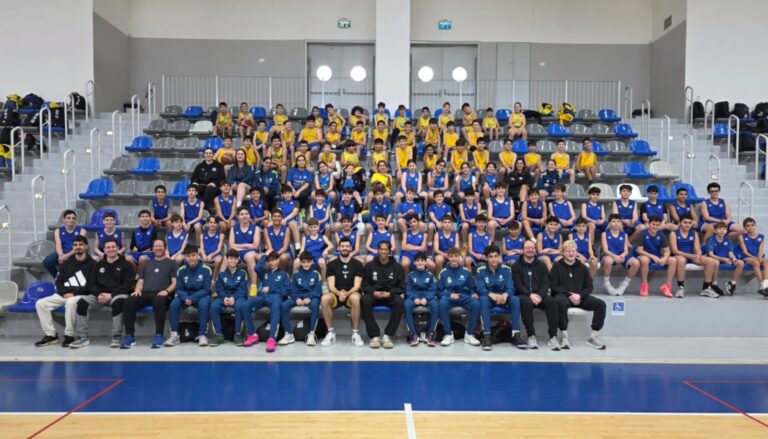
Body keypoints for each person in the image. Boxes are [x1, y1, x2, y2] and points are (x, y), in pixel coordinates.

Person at [70, 238, 135, 349]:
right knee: (82, 302)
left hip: (117, 294)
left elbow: (127, 285)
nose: (111, 249)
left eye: (113, 247)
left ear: (118, 248)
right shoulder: (98, 265)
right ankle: (82, 336)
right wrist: (99, 294)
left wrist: (111, 295)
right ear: (104, 250)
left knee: (119, 302)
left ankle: (116, 335)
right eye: (108, 247)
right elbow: (92, 284)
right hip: (99, 296)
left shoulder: (126, 265)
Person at [35, 236, 94, 348]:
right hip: (64, 294)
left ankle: (69, 335)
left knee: (70, 302)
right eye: (75, 245)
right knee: (41, 303)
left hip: (81, 295)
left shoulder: (93, 264)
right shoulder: (66, 263)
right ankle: (51, 335)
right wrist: (64, 293)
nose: (78, 247)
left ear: (86, 246)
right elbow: (58, 281)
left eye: (81, 244)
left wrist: (74, 293)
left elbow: (92, 285)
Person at [549, 240, 607, 350]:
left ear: (576, 252)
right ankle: (564, 336)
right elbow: (553, 286)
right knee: (560, 302)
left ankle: (593, 336)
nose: (571, 253)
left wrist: (580, 296)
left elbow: (589, 287)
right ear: (563, 253)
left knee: (601, 304)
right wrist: (569, 295)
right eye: (568, 251)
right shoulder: (557, 266)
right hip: (563, 296)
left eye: (573, 251)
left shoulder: (582, 267)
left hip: (580, 297)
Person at [120, 239, 177, 349]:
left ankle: (159, 335)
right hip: (145, 293)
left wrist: (167, 291)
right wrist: (137, 290)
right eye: (156, 246)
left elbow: (175, 282)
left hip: (162, 293)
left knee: (159, 301)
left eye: (160, 246)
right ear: (152, 249)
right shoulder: (147, 264)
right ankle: (129, 336)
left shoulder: (172, 263)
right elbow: (140, 281)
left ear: (165, 248)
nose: (158, 248)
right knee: (129, 301)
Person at [476, 245, 527, 351]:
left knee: (515, 300)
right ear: (486, 258)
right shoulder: (480, 271)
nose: (493, 259)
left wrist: (505, 295)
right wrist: (492, 295)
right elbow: (480, 288)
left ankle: (516, 334)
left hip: (504, 297)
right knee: (483, 300)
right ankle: (487, 336)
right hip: (489, 297)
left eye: (496, 256)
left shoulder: (506, 270)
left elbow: (511, 287)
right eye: (490, 257)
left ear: (499, 257)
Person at [237, 251, 289, 353]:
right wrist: (265, 256)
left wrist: (271, 289)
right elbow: (256, 268)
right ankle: (252, 335)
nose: (272, 263)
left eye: (274, 260)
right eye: (270, 261)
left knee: (276, 308)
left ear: (278, 260)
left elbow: (286, 291)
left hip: (276, 298)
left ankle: (272, 339)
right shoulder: (265, 272)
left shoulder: (283, 274)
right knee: (245, 305)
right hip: (263, 297)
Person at [513, 240, 560, 350]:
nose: (530, 250)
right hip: (523, 295)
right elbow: (518, 285)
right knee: (526, 302)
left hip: (539, 295)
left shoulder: (542, 265)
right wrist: (530, 295)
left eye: (532, 248)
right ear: (523, 250)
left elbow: (546, 283)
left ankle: (553, 337)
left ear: (535, 250)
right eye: (527, 248)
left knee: (552, 301)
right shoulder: (516, 266)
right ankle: (531, 336)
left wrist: (539, 295)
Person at [165, 246, 213, 347]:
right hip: (185, 296)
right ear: (185, 257)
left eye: (193, 255)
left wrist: (192, 298)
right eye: (188, 256)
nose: (191, 258)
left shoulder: (206, 270)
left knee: (204, 304)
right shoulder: (181, 270)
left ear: (198, 255)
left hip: (201, 296)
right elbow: (179, 289)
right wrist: (185, 297)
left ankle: (202, 335)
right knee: (174, 304)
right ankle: (174, 335)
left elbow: (206, 289)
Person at [361, 241, 405, 349]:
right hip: (374, 294)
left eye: (386, 249)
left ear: (389, 251)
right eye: (381, 249)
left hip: (390, 295)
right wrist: (373, 292)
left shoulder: (397, 266)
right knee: (364, 300)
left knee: (399, 302)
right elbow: (364, 284)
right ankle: (374, 336)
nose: (383, 251)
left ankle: (387, 336)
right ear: (378, 251)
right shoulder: (370, 266)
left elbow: (402, 287)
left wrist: (390, 293)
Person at [322, 238, 365, 347]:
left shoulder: (358, 264)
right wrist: (339, 293)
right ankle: (330, 333)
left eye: (347, 246)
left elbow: (357, 286)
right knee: (324, 299)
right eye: (342, 246)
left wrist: (346, 293)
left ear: (351, 248)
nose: (345, 248)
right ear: (338, 248)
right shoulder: (332, 264)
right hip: (336, 294)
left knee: (355, 298)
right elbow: (331, 285)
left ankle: (355, 334)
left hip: (351, 293)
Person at [437, 247, 481, 347]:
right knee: (442, 303)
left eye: (456, 256)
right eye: (451, 256)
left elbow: (472, 288)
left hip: (464, 296)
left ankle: (469, 334)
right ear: (448, 257)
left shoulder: (466, 271)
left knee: (476, 304)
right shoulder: (443, 273)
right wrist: (449, 295)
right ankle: (448, 334)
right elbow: (438, 291)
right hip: (450, 296)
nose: (454, 259)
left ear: (459, 257)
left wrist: (473, 293)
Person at [670, 214, 721, 298]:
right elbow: (674, 251)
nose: (687, 225)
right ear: (680, 223)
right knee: (681, 260)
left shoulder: (694, 233)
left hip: (690, 256)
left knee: (711, 261)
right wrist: (690, 255)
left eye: (689, 223)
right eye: (685, 222)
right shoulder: (673, 233)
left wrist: (698, 255)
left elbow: (697, 248)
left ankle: (706, 288)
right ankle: (681, 288)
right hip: (678, 255)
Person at [279, 251, 323, 346]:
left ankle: (311, 334)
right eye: (304, 262)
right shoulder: (296, 274)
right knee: (284, 305)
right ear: (300, 262)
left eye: (308, 262)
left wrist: (309, 298)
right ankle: (289, 334)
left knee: (315, 305)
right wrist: (297, 298)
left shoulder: (316, 274)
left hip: (311, 297)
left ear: (312, 261)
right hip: (298, 296)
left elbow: (318, 289)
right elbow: (292, 289)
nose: (306, 264)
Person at [208, 250, 249, 347]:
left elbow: (243, 289)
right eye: (231, 258)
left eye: (235, 258)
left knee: (240, 306)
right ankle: (218, 334)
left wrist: (234, 298)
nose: (233, 261)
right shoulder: (221, 274)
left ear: (238, 260)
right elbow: (219, 289)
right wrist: (224, 298)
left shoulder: (243, 273)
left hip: (238, 297)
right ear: (227, 259)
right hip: (224, 297)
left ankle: (238, 334)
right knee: (214, 306)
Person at [635, 216, 679, 298]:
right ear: (649, 224)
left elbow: (667, 251)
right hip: (644, 255)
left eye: (657, 225)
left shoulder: (661, 235)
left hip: (657, 256)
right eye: (653, 224)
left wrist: (664, 258)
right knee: (644, 260)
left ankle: (667, 286)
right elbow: (639, 250)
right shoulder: (642, 234)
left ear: (660, 226)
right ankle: (644, 285)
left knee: (673, 260)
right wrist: (653, 257)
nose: (655, 227)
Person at [404, 252, 438, 347]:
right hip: (414, 297)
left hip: (427, 297)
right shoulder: (410, 275)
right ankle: (413, 334)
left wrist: (426, 299)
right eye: (417, 261)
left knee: (435, 305)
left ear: (426, 262)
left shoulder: (430, 275)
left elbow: (433, 290)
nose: (420, 263)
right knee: (406, 305)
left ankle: (430, 334)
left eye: (422, 260)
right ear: (414, 262)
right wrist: (414, 298)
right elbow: (408, 290)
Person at [601, 214, 640, 296]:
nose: (616, 223)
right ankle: (606, 283)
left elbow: (626, 250)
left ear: (621, 223)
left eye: (618, 221)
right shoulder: (604, 234)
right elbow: (605, 250)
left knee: (636, 263)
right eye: (613, 221)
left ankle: (624, 284)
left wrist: (622, 255)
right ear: (609, 223)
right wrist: (615, 256)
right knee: (608, 261)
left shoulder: (624, 235)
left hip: (621, 254)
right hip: (610, 254)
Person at [42, 209, 86, 279]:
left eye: (73, 218)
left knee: (69, 263)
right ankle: (58, 278)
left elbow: (78, 247)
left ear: (76, 220)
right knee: (47, 262)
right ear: (64, 220)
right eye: (68, 218)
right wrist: (60, 255)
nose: (71, 220)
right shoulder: (57, 231)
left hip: (75, 252)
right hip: (61, 252)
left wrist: (66, 256)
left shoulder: (82, 231)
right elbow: (58, 245)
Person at [705, 221, 744, 296]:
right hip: (714, 259)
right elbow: (710, 255)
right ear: (715, 231)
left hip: (725, 259)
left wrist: (734, 259)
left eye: (724, 229)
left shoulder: (728, 239)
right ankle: (714, 284)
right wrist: (723, 259)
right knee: (716, 262)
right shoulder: (711, 240)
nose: (722, 230)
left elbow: (730, 253)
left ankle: (732, 283)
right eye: (719, 229)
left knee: (740, 263)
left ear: (726, 231)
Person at [738, 217, 768, 296]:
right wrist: (755, 258)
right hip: (747, 256)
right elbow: (745, 251)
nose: (750, 227)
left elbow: (761, 250)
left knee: (766, 261)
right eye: (748, 225)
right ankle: (763, 285)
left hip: (758, 256)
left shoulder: (761, 236)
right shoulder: (741, 236)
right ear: (744, 227)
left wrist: (760, 257)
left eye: (752, 225)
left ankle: (765, 284)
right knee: (755, 262)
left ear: (755, 226)